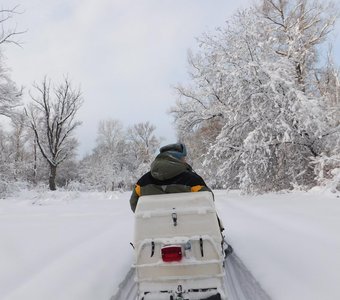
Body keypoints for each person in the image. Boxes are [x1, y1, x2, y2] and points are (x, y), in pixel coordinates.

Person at [129, 143, 213, 213]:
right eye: (184, 158)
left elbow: (134, 205)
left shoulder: (143, 182)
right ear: (179, 158)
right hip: (191, 229)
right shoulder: (193, 180)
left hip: (154, 230)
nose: (185, 161)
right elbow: (209, 200)